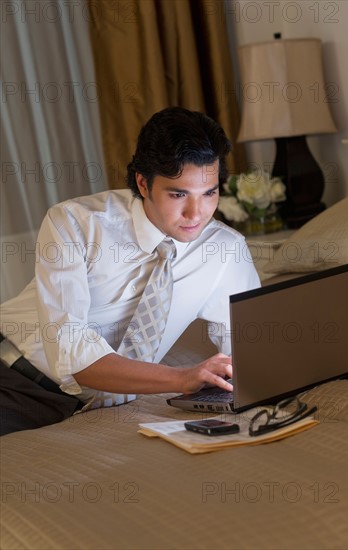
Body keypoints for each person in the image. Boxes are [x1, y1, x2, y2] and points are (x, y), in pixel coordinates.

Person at [0, 107, 260, 435]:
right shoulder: (75, 224)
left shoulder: (226, 249)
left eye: (209, 193)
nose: (197, 213)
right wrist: (182, 378)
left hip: (91, 407)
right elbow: (73, 355)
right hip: (15, 378)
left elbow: (252, 348)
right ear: (143, 183)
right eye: (178, 194)